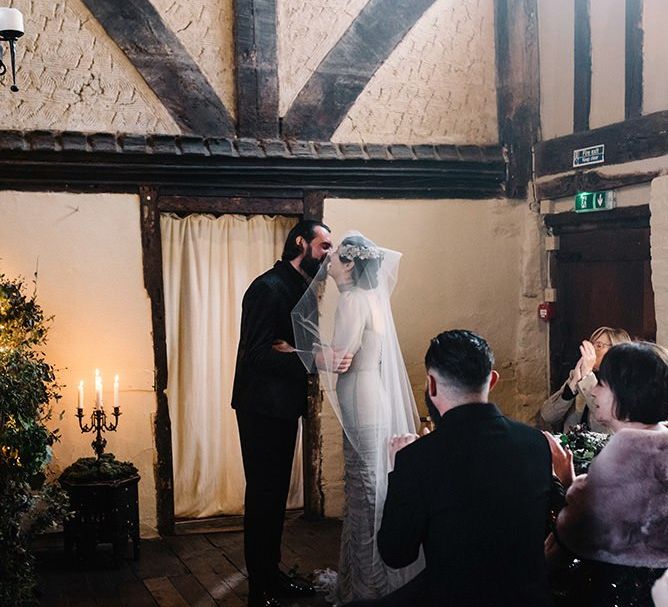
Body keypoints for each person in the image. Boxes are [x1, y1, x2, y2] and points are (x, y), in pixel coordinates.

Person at [353, 330, 554, 607]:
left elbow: (396, 554)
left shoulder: (416, 459)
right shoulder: (535, 443)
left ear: (431, 385)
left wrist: (398, 471)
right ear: (493, 380)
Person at [292, 233, 424, 603]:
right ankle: (357, 579)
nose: (328, 262)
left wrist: (300, 348)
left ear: (349, 266)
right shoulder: (372, 298)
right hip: (370, 395)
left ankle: (369, 587)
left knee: (366, 492)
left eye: (335, 257)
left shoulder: (351, 300)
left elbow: (341, 356)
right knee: (365, 489)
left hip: (360, 397)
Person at [231, 219, 333, 607]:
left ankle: (271, 575)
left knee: (274, 498)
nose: (328, 255)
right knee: (263, 496)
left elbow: (290, 346)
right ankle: (261, 587)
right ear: (300, 243)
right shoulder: (267, 288)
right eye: (324, 246)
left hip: (282, 405)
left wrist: (295, 352)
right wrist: (311, 357)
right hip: (260, 408)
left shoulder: (300, 287)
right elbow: (256, 353)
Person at [545, 341, 668, 607]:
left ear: (625, 393)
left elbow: (575, 532)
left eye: (601, 383)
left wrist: (563, 483)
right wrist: (571, 479)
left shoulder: (625, 456)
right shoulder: (656, 443)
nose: (595, 392)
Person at [541, 327, 630, 432]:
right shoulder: (578, 376)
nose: (592, 350)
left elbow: (610, 425)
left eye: (599, 346)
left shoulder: (624, 383)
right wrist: (571, 387)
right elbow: (547, 416)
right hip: (571, 445)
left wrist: (587, 376)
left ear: (616, 351)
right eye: (591, 345)